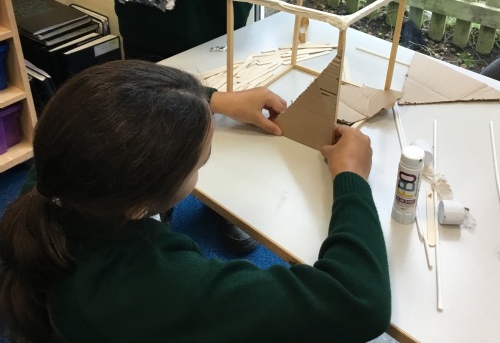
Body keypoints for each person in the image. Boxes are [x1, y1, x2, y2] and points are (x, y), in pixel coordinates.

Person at [0, 61, 391, 342]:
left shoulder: (59, 174)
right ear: (138, 207)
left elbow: (116, 102)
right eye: (200, 162)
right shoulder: (158, 289)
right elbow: (359, 301)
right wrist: (352, 178)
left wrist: (210, 100)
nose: (203, 162)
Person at [24, 0, 289, 252]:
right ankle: (154, 197)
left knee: (233, 104)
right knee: (151, 113)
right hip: (144, 12)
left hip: (220, 5)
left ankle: (229, 202)